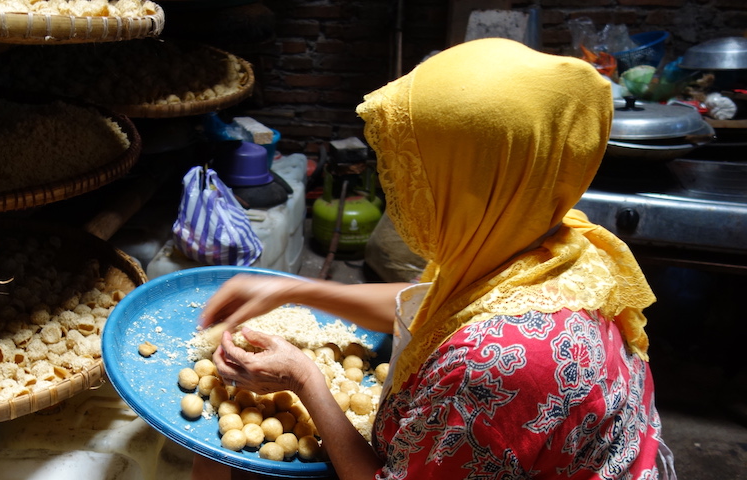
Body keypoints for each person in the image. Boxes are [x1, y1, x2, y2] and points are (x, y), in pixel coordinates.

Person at [195, 38, 675, 479]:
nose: (396, 189)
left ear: (474, 182)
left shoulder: (497, 364)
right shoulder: (533, 233)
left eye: (412, 174)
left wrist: (306, 380)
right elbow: (431, 306)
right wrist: (294, 288)